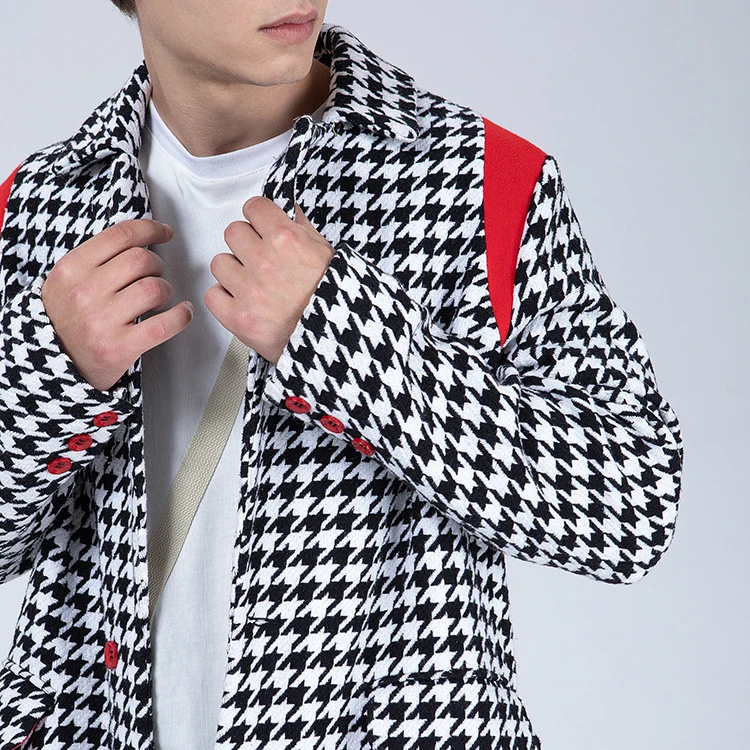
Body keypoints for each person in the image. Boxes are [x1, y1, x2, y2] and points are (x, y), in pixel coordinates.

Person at [0, 1, 684, 748]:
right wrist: (47, 373)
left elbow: (634, 509)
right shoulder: (39, 207)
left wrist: (350, 341)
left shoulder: (475, 182)